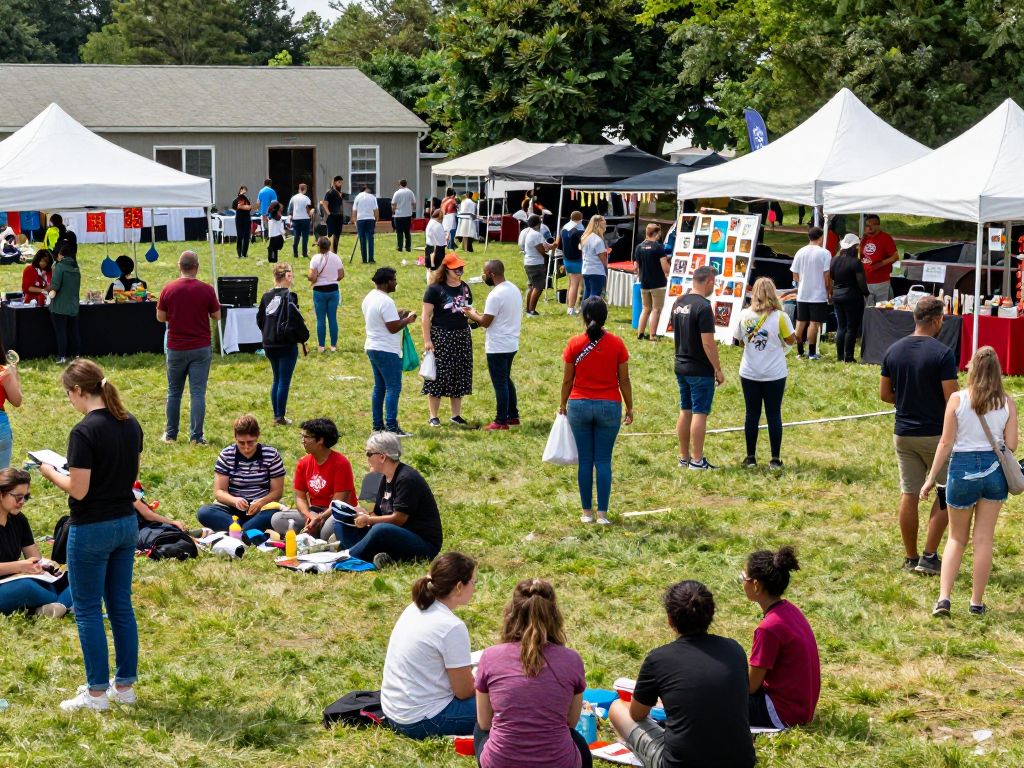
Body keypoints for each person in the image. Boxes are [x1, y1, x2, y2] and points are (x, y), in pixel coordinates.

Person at [39, 360, 143, 712]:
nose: (69, 400)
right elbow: (128, 477)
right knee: (120, 607)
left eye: (68, 394)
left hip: (92, 528)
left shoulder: (83, 432)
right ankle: (125, 686)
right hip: (126, 524)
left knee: (86, 611)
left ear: (80, 391)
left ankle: (96, 693)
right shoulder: (130, 424)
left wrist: (50, 472)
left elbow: (78, 490)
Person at [608, 580, 756, 768]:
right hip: (741, 762)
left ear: (670, 620)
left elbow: (637, 714)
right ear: (711, 613)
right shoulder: (734, 649)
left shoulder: (658, 659)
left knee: (617, 708)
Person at [922, 346, 1019, 617]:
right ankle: (976, 602)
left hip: (961, 470)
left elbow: (945, 442)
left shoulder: (956, 399)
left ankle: (944, 599)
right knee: (983, 540)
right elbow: (1011, 444)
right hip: (993, 473)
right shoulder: (1008, 403)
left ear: (971, 369)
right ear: (998, 372)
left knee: (956, 538)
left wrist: (930, 479)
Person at [474, 579, 591, 768]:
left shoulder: (490, 657)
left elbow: (485, 722)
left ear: (510, 614)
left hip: (501, 762)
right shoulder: (572, 660)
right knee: (579, 743)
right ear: (555, 615)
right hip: (559, 762)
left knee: (479, 729)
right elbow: (570, 722)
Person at [880, 296, 957, 574]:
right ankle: (929, 555)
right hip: (937, 435)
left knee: (909, 493)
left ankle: (910, 558)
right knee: (947, 492)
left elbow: (884, 394)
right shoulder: (943, 353)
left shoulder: (893, 350)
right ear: (936, 320)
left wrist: (907, 400)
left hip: (903, 433)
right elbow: (952, 399)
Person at [382, 552, 477, 738]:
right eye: (474, 583)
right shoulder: (451, 627)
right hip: (421, 720)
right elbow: (464, 692)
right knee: (505, 701)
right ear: (459, 586)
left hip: (393, 710)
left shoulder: (416, 607)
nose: (475, 588)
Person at [559, 297, 633, 524]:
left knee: (585, 461)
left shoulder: (574, 343)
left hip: (579, 405)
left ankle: (586, 513)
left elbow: (567, 380)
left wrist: (562, 405)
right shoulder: (617, 343)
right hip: (609, 406)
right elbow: (624, 380)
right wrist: (630, 407)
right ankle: (602, 513)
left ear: (584, 315)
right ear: (605, 317)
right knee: (603, 461)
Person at [741, 546, 821, 729]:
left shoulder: (768, 629)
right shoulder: (790, 610)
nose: (742, 583)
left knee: (714, 700)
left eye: (743, 578)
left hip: (781, 714)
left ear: (757, 585)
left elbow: (750, 687)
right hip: (802, 709)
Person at [341, 431, 443, 568]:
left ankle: (346, 556)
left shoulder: (406, 478)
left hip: (422, 544)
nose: (367, 458)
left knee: (381, 530)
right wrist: (364, 515)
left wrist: (370, 520)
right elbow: (376, 512)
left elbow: (399, 519)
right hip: (396, 534)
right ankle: (374, 555)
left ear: (382, 457)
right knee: (342, 522)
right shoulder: (385, 477)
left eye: (369, 454)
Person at [156, 250, 221, 445]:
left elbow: (160, 317)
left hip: (176, 347)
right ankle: (196, 436)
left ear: (179, 266)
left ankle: (170, 435)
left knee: (174, 391)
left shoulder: (168, 289)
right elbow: (217, 316)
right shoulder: (207, 289)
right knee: (198, 392)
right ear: (196, 267)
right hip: (200, 347)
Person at [733, 278, 796, 470]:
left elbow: (737, 341)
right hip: (774, 372)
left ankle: (750, 457)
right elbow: (791, 340)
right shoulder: (780, 317)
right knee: (773, 414)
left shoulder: (744, 314)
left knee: (751, 414)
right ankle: (775, 459)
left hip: (750, 371)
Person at [0, 468, 73, 618]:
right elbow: (23, 566)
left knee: (77, 578)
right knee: (26, 587)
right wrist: (20, 566)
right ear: (1, 494)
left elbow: (35, 557)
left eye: (25, 497)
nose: (22, 502)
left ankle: (45, 608)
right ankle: (59, 604)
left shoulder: (19, 520)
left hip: (16, 579)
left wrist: (43, 567)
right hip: (13, 585)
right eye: (18, 497)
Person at [196, 414, 285, 533]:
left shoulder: (271, 455)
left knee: (276, 516)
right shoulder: (226, 455)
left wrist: (261, 502)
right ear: (235, 438)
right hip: (231, 507)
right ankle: (245, 530)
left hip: (262, 507)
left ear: (257, 436)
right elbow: (219, 492)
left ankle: (236, 529)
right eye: (241, 443)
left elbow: (277, 492)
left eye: (250, 442)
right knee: (204, 512)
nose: (246, 447)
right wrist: (235, 501)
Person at [672, 265, 724, 470]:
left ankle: (683, 458)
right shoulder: (703, 307)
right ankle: (697, 459)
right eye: (715, 282)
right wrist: (718, 369)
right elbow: (708, 343)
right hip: (699, 368)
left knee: (685, 410)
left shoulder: (679, 302)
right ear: (709, 281)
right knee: (699, 412)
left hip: (681, 363)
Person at [271, 417, 355, 539]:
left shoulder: (341, 463)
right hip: (314, 511)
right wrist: (309, 515)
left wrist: (320, 517)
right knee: (277, 519)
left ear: (320, 440)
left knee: (326, 531)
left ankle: (318, 535)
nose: (303, 441)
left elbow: (339, 502)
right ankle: (317, 535)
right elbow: (300, 497)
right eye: (302, 436)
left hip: (336, 512)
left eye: (307, 437)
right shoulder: (303, 463)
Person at [464, 260, 521, 431]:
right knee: (505, 379)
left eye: (485, 273)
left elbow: (486, 322)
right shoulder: (513, 288)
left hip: (498, 345)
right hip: (511, 343)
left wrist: (473, 314)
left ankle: (501, 421)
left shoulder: (495, 295)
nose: (483, 276)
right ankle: (513, 415)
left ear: (492, 274)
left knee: (500, 383)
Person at [422, 253, 474, 427]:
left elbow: (468, 309)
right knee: (437, 376)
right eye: (455, 268)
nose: (460, 270)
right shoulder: (435, 289)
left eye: (461, 267)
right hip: (442, 336)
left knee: (459, 374)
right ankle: (433, 416)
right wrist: (427, 340)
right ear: (446, 269)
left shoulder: (465, 287)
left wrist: (475, 319)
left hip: (461, 336)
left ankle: (456, 415)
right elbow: (425, 317)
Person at [363, 267, 417, 436]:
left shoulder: (370, 297)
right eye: (394, 279)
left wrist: (399, 314)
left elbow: (383, 320)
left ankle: (377, 426)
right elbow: (392, 327)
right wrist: (408, 320)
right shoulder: (386, 301)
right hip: (386, 349)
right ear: (387, 283)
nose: (396, 282)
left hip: (372, 346)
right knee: (393, 387)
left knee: (379, 387)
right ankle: (392, 427)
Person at [256, 263, 302, 425]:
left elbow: (260, 319)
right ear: (286, 276)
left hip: (269, 343)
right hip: (285, 343)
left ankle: (277, 413)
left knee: (276, 379)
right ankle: (279, 416)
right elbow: (295, 321)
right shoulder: (289, 296)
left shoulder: (266, 296)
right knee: (283, 380)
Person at [790, 226, 832, 360]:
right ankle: (812, 353)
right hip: (818, 295)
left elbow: (794, 274)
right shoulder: (825, 253)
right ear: (821, 237)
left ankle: (799, 351)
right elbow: (827, 275)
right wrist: (828, 290)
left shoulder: (800, 252)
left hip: (802, 293)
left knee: (800, 322)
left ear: (809, 237)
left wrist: (801, 281)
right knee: (813, 323)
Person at [830, 233, 868, 362]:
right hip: (852, 297)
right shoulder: (856, 262)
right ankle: (849, 356)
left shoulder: (834, 259)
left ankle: (840, 356)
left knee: (841, 326)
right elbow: (861, 282)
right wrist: (867, 293)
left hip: (837, 295)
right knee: (851, 328)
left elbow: (832, 276)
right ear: (855, 247)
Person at [308, 236, 344, 353]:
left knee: (320, 320)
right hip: (333, 290)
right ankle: (333, 346)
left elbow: (312, 277)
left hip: (319, 291)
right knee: (333, 318)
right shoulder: (336, 257)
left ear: (318, 247)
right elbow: (341, 275)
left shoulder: (315, 259)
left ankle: (321, 346)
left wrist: (310, 278)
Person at [49, 232, 81, 364]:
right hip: (73, 306)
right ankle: (77, 356)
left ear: (61, 255)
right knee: (74, 331)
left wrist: (49, 296)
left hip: (60, 306)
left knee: (61, 332)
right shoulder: (76, 268)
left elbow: (55, 286)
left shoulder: (59, 267)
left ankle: (61, 357)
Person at [634, 223, 669, 341]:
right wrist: (669, 270)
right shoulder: (658, 247)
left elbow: (635, 266)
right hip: (658, 283)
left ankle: (640, 333)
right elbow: (665, 267)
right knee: (656, 309)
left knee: (645, 309)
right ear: (656, 233)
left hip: (644, 282)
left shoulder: (639, 247)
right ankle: (652, 335)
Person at [860, 214, 899, 306]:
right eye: (867, 225)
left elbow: (895, 256)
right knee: (867, 308)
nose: (869, 228)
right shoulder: (864, 238)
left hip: (881, 281)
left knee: (881, 307)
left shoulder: (885, 238)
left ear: (878, 225)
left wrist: (881, 264)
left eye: (872, 225)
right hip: (865, 281)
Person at [520, 214, 552, 317]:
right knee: (538, 287)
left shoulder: (528, 232)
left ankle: (528, 310)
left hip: (529, 262)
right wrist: (547, 252)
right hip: (536, 263)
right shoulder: (536, 235)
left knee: (532, 286)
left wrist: (550, 246)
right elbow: (541, 249)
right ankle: (532, 311)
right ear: (538, 224)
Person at [557, 211, 584, 316]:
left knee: (571, 284)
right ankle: (571, 308)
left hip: (567, 259)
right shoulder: (580, 230)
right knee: (575, 285)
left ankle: (569, 305)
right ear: (580, 218)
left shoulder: (564, 228)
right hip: (576, 260)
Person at [353, 184, 379, 264]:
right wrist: (376, 219)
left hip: (360, 219)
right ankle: (371, 259)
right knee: (370, 239)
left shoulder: (357, 197)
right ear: (366, 189)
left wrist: (354, 222)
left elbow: (354, 211)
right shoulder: (372, 197)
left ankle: (364, 260)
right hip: (370, 219)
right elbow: (376, 210)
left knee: (362, 240)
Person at [320, 175, 345, 253]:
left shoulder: (340, 193)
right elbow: (324, 204)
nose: (340, 184)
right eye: (338, 182)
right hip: (332, 217)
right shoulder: (330, 192)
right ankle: (329, 252)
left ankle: (335, 252)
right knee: (331, 236)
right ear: (334, 183)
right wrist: (329, 214)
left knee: (337, 235)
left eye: (341, 182)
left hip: (339, 217)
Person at [288, 182, 313, 259]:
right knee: (305, 237)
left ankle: (295, 253)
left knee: (296, 236)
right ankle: (304, 253)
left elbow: (289, 209)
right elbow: (310, 210)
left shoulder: (293, 198)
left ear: (299, 189)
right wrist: (311, 216)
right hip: (305, 219)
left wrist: (291, 216)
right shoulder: (307, 199)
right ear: (305, 190)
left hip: (296, 219)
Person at [392, 179, 417, 253]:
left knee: (399, 232)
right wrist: (412, 210)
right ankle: (408, 247)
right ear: (406, 184)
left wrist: (393, 211)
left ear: (400, 184)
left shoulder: (397, 193)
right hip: (407, 215)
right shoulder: (410, 192)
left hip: (398, 215)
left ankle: (400, 247)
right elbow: (414, 203)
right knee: (407, 232)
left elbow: (393, 204)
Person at [231, 185, 253, 259]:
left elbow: (249, 207)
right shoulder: (237, 199)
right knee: (240, 236)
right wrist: (245, 207)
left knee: (247, 236)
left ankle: (244, 253)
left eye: (245, 190)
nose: (245, 191)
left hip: (247, 219)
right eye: (243, 189)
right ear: (240, 190)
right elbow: (238, 206)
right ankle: (239, 254)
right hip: (240, 219)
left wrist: (245, 207)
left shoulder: (246, 199)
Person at [257, 178, 277, 245]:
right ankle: (271, 239)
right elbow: (274, 202)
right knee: (271, 226)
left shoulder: (261, 191)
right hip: (271, 212)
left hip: (263, 212)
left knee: (265, 227)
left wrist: (258, 210)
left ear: (264, 183)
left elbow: (258, 202)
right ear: (270, 184)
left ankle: (265, 240)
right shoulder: (272, 191)